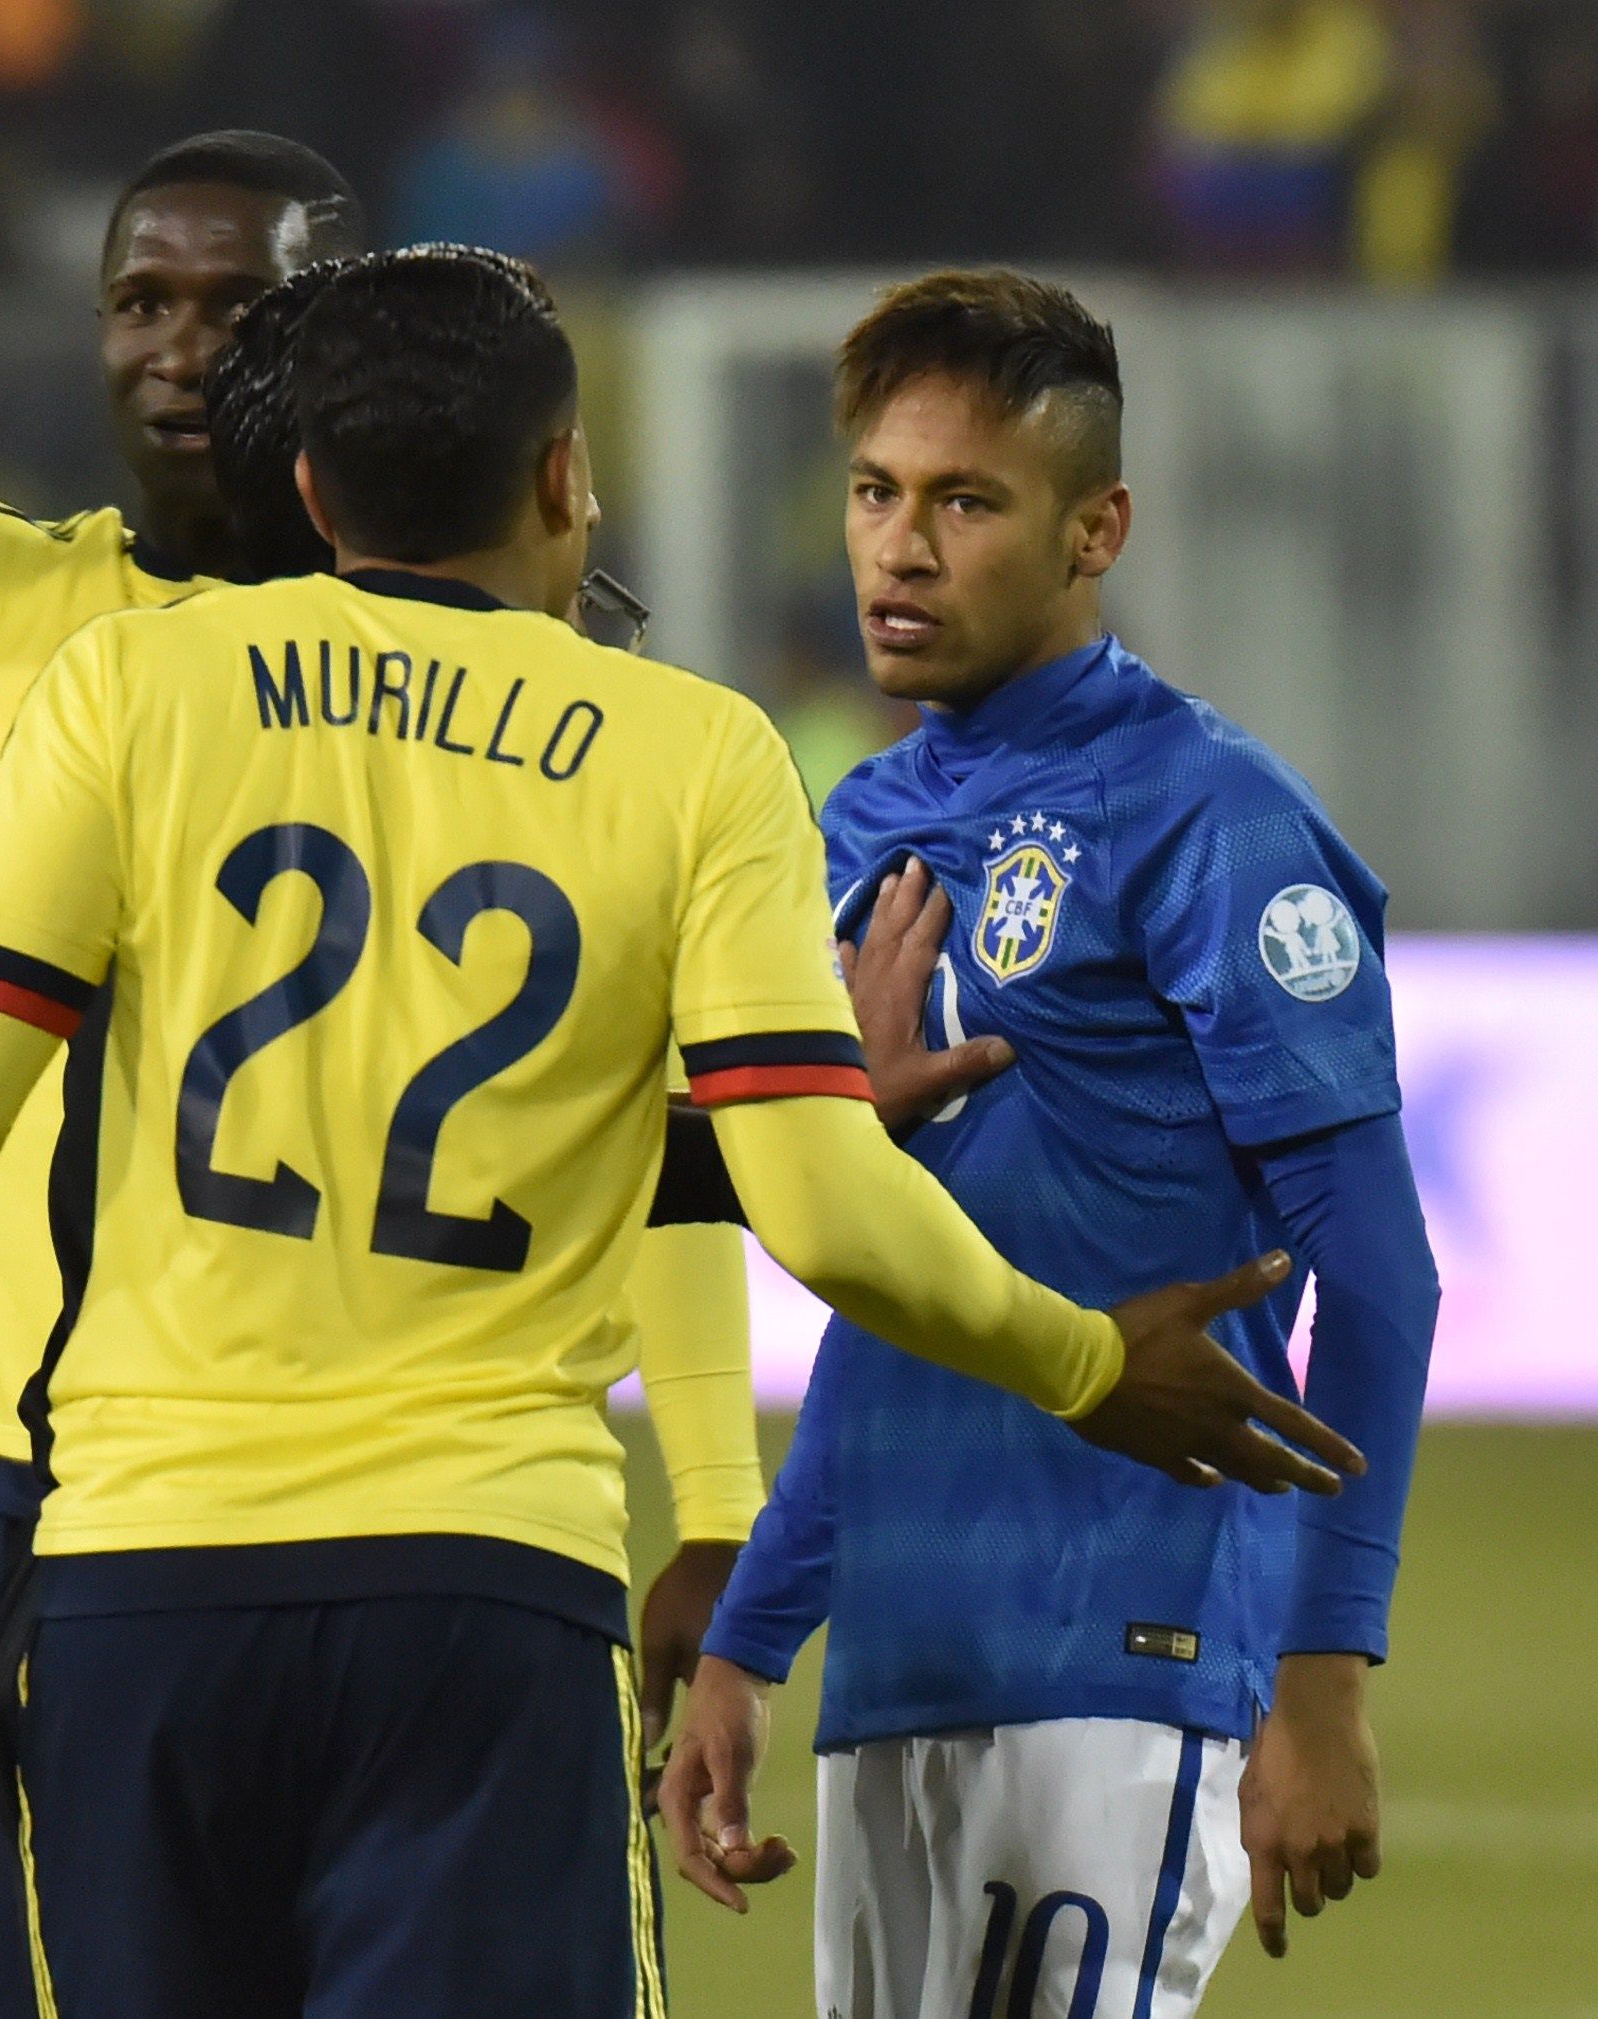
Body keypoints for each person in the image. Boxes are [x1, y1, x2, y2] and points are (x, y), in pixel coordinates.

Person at [0, 247, 1359, 2019]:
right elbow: (823, 1210)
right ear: (562, 477)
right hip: (482, 1593)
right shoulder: (687, 751)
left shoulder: (126, 692)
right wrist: (1083, 1362)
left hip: (143, 1585)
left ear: (309, 484)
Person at [0, 128, 769, 2017]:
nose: (182, 348)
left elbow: (650, 1138)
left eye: (242, 304)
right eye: (140, 301)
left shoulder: (547, 665)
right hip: (65, 1483)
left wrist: (712, 1487)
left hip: (405, 1500)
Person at [659, 268, 1440, 2019]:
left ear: (1096, 529)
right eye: (875, 491)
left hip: (1128, 1648)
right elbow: (898, 1282)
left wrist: (1319, 1679)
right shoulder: (855, 823)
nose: (899, 549)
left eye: (963, 502)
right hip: (901, 1656)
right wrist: (752, 1640)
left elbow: (1378, 1276)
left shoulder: (1206, 814)